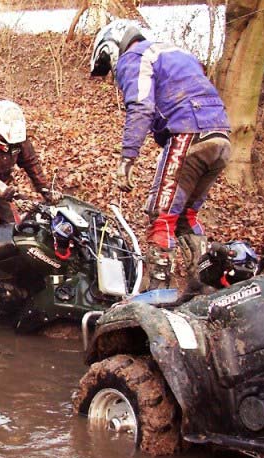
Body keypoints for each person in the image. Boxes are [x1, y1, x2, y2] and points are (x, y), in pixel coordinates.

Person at [90, 20, 231, 291]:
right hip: (220, 136)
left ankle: (158, 295)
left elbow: (141, 105)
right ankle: (202, 287)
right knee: (186, 216)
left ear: (112, 46)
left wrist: (127, 158)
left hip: (189, 133)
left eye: (108, 63)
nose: (113, 71)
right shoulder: (173, 52)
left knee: (161, 217)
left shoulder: (134, 56)